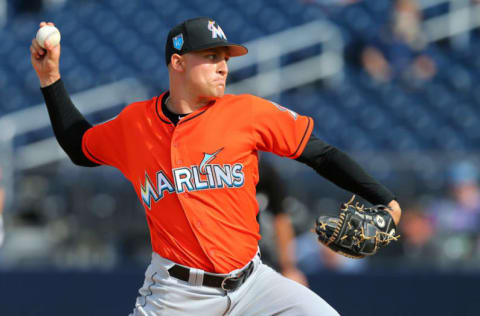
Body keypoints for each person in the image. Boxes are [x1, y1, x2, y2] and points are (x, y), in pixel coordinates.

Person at [30, 17, 401, 315]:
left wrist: (387, 200)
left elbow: (320, 154)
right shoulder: (135, 124)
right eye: (210, 57)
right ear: (177, 62)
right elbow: (80, 147)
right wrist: (50, 80)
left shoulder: (246, 112)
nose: (223, 66)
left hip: (255, 284)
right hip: (176, 296)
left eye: (225, 58)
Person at [256, 158, 308, 286]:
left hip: (263, 254)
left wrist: (288, 267)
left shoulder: (265, 172)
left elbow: (281, 219)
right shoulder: (219, 170)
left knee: (295, 285)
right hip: (228, 256)